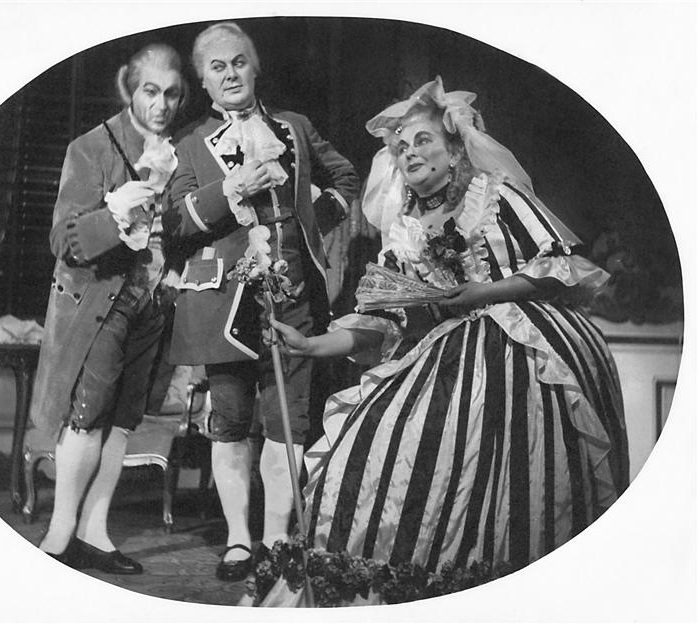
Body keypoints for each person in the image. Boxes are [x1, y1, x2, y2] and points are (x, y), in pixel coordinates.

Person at [261, 77, 629, 606]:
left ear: (455, 150)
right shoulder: (403, 230)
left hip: (525, 340)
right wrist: (311, 344)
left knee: (518, 474)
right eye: (401, 147)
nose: (409, 152)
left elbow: (556, 270)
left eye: (423, 140)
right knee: (375, 441)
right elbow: (381, 319)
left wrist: (484, 291)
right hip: (446, 349)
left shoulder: (495, 195)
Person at [165, 22, 360, 581]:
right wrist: (231, 190)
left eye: (238, 62)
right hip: (221, 300)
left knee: (287, 421)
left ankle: (275, 539)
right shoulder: (189, 143)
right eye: (217, 67)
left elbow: (345, 178)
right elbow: (177, 222)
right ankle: (238, 540)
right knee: (229, 420)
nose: (230, 74)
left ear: (255, 68)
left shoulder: (294, 127)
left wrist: (313, 221)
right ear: (204, 81)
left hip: (292, 295)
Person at [30, 43, 186, 574]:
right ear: (129, 88)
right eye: (150, 91)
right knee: (87, 417)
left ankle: (94, 533)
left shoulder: (180, 151)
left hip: (152, 302)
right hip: (102, 299)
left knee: (122, 423)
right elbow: (62, 240)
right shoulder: (91, 147)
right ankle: (59, 535)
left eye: (171, 94)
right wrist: (111, 214)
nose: (161, 105)